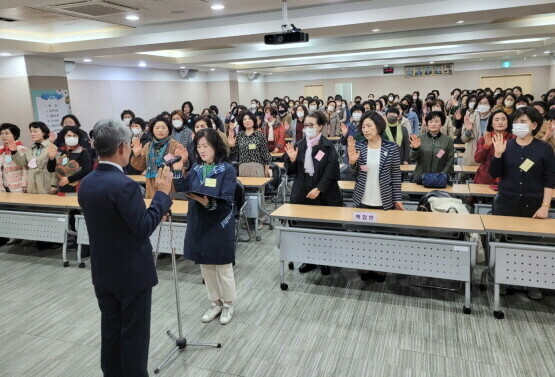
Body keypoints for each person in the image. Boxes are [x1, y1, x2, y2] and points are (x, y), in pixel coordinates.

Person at [78, 119, 173, 377]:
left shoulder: (87, 183)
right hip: (131, 274)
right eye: (129, 146)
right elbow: (143, 227)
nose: (132, 150)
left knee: (110, 330)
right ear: (121, 147)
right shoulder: (125, 186)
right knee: (134, 336)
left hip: (103, 271)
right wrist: (161, 197)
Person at [172, 128, 237, 325]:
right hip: (198, 221)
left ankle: (228, 304)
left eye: (206, 146)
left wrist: (208, 202)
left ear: (216, 147)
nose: (202, 150)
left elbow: (227, 198)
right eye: (199, 146)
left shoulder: (227, 169)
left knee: (223, 268)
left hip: (219, 223)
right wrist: (178, 171)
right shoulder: (195, 168)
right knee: (206, 267)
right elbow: (184, 190)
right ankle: (215, 302)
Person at [489, 107, 555, 300]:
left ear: (534, 125)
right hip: (506, 202)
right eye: (516, 121)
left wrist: (545, 206)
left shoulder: (544, 148)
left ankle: (531, 284)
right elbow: (495, 173)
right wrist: (498, 154)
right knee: (503, 243)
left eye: (523, 121)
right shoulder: (506, 145)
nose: (519, 125)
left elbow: (549, 179)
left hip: (533, 204)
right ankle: (502, 280)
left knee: (531, 246)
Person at [347, 111, 403, 281]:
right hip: (363, 198)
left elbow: (396, 174)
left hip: (383, 199)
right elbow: (353, 174)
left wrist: (398, 199)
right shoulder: (359, 146)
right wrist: (352, 162)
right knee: (363, 235)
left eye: (369, 126)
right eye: (363, 126)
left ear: (379, 126)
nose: (365, 130)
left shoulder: (391, 147)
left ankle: (381, 267)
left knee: (382, 235)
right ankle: (365, 265)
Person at [284, 111, 342, 275]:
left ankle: (325, 261)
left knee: (324, 229)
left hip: (324, 194)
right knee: (306, 228)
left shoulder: (328, 146)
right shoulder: (300, 145)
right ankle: (308, 259)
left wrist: (319, 189)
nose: (307, 129)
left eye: (311, 125)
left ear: (320, 127)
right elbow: (291, 171)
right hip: (303, 193)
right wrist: (293, 160)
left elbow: (331, 172)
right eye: (306, 125)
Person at [130, 116, 182, 198]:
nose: (160, 130)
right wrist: (136, 155)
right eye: (157, 128)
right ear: (152, 130)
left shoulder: (175, 145)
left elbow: (182, 166)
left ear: (169, 130)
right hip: (151, 188)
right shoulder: (148, 146)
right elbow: (140, 167)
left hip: (170, 187)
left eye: (163, 127)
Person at [11, 122, 57, 194]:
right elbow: (22, 163)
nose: (32, 134)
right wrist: (14, 152)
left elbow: (57, 168)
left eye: (35, 131)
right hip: (32, 184)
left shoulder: (51, 147)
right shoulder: (30, 149)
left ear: (44, 133)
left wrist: (54, 185)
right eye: (31, 132)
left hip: (46, 183)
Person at [410, 111, 455, 183]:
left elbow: (450, 162)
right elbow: (412, 159)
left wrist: (441, 176)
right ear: (427, 124)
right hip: (420, 178)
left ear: (442, 123)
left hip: (440, 179)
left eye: (436, 121)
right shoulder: (420, 139)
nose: (433, 124)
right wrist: (415, 149)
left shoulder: (448, 140)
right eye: (430, 122)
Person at [47, 126, 92, 195]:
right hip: (62, 188)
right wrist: (51, 159)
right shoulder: (59, 150)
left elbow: (87, 170)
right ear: (64, 137)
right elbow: (51, 169)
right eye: (69, 135)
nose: (72, 138)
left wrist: (69, 179)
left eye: (74, 136)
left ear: (78, 137)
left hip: (78, 188)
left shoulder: (83, 151)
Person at [474, 110, 514, 185]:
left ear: (508, 122)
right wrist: (486, 146)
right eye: (496, 120)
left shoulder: (514, 138)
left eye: (503, 119)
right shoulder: (485, 138)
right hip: (486, 179)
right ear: (491, 124)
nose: (500, 122)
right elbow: (477, 159)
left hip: (508, 179)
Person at [461, 95, 494, 166]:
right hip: (472, 155)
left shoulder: (495, 118)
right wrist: (468, 131)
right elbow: (464, 140)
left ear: (490, 105)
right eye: (480, 103)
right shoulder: (471, 117)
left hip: (490, 155)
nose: (482, 105)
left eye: (485, 103)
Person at [0, 123, 27, 193]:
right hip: (3, 187)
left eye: (7, 133)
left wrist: (25, 185)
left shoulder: (22, 149)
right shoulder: (0, 150)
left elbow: (26, 169)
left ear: (14, 135)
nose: (3, 136)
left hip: (18, 186)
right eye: (1, 133)